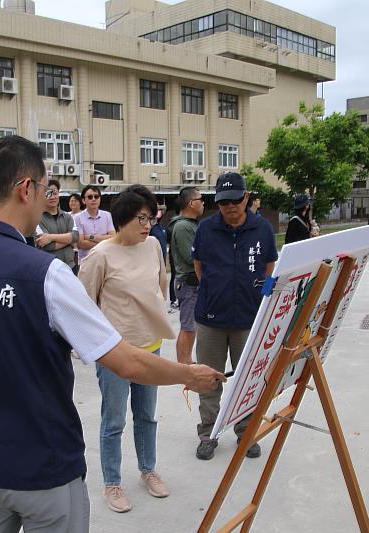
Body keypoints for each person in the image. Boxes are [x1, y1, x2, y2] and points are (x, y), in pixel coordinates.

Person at [0, 135, 223, 532]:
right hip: (44, 468)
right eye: (44, 186)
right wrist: (189, 374)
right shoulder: (45, 274)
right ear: (24, 188)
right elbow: (125, 362)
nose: (46, 196)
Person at [78, 185, 176, 514]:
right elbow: (84, 305)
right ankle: (112, 482)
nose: (148, 224)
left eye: (151, 217)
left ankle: (148, 469)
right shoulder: (100, 255)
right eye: (141, 218)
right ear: (122, 219)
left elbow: (161, 286)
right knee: (113, 421)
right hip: (115, 355)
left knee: (147, 416)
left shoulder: (152, 246)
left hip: (150, 348)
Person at [192, 172, 277, 460]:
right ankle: (208, 433)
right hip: (210, 320)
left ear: (246, 198)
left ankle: (246, 431)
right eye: (223, 202)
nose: (230, 207)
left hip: (249, 320)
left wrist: (260, 297)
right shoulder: (205, 229)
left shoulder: (262, 229)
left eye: (235, 200)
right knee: (209, 379)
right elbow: (199, 266)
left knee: (249, 379)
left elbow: (270, 266)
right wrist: (215, 291)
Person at [167, 186, 204, 364]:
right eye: (200, 200)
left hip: (192, 283)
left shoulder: (189, 224)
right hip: (188, 283)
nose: (203, 203)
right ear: (191, 203)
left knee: (191, 325)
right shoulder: (182, 226)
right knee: (188, 326)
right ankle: (184, 363)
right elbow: (190, 257)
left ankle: (186, 360)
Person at [36, 179, 79, 272]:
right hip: (50, 269)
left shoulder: (67, 216)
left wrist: (50, 237)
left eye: (55, 193)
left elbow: (76, 236)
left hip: (71, 267)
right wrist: (69, 239)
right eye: (48, 194)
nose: (52, 197)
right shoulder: (37, 219)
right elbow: (46, 246)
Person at [75, 185, 115, 263]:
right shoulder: (78, 218)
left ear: (100, 199)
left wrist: (90, 237)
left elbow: (113, 238)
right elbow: (80, 244)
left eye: (96, 196)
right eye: (90, 197)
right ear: (83, 200)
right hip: (86, 261)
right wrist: (104, 239)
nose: (93, 199)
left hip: (105, 260)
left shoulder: (107, 215)